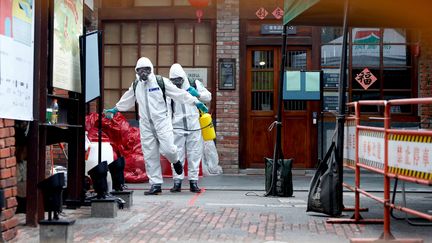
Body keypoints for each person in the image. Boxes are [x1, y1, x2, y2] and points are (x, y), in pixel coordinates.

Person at [104, 57, 208, 195]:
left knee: (169, 149)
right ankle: (156, 184)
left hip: (162, 122)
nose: (143, 73)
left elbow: (179, 94)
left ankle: (176, 161)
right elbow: (127, 98)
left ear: (151, 69)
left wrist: (195, 102)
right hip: (146, 123)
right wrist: (115, 109)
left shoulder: (161, 82)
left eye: (146, 69)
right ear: (136, 71)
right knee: (150, 154)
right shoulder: (136, 85)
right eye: (140, 70)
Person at [168, 63, 212, 193]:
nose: (177, 83)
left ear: (183, 77)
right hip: (177, 127)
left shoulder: (194, 84)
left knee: (195, 154)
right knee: (177, 156)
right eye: (174, 80)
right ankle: (177, 182)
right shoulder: (169, 88)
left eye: (179, 80)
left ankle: (193, 181)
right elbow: (166, 107)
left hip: (194, 125)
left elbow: (208, 97)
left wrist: (197, 94)